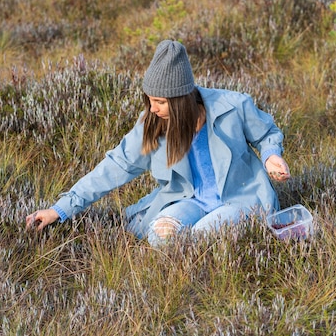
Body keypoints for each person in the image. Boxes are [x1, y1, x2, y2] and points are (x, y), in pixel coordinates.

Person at [26, 40, 291, 246]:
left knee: (200, 237)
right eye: (149, 99)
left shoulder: (233, 105)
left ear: (181, 99)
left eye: (161, 102)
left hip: (242, 199)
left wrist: (270, 155)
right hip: (192, 201)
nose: (152, 109)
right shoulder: (152, 124)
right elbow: (115, 166)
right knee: (159, 236)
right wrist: (59, 210)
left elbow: (266, 133)